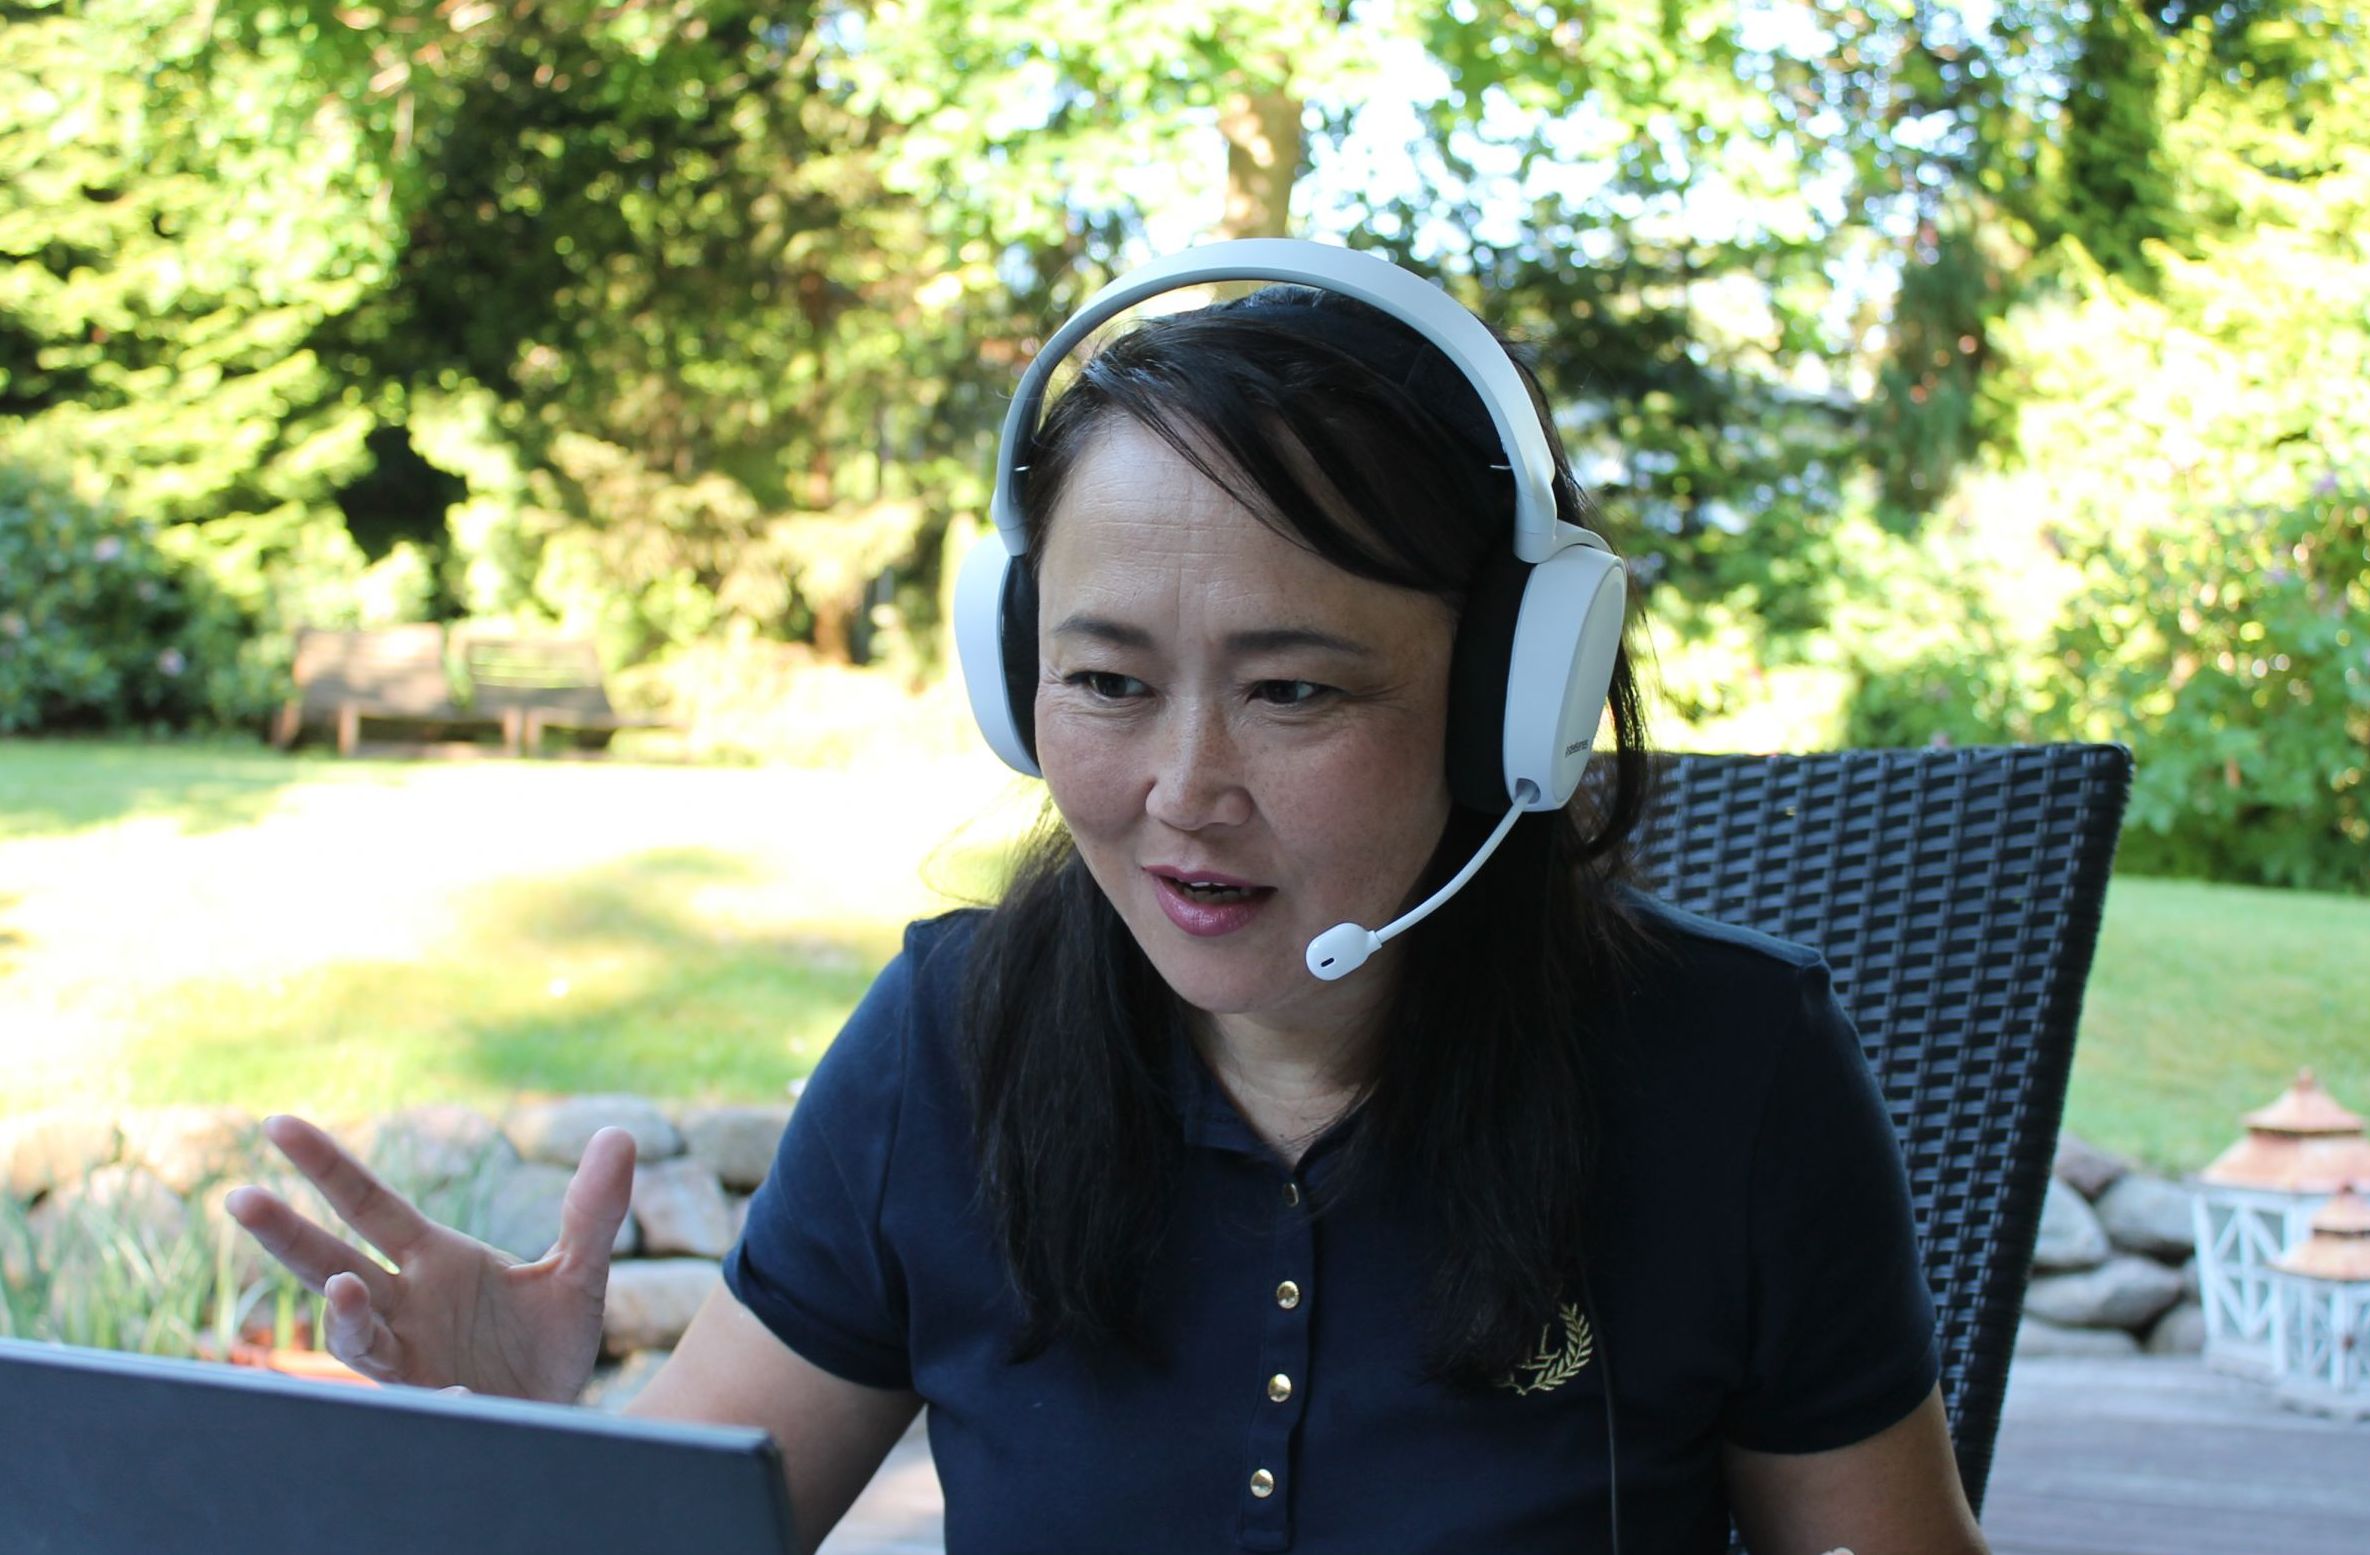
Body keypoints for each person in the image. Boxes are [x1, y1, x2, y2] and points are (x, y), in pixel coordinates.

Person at [227, 242, 1990, 1554]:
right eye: (1105, 682)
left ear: (1505, 708)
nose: (1179, 790)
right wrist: (547, 1448)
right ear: (1016, 681)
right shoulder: (949, 1044)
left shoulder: (1730, 1077)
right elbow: (684, 1523)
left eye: (1294, 691)